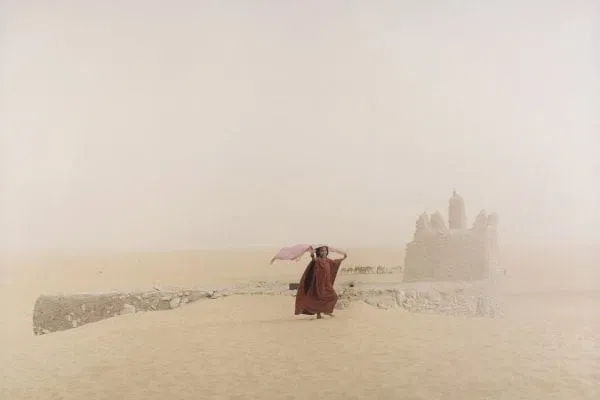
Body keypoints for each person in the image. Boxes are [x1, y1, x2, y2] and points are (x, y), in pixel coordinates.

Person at [294, 245, 347, 319]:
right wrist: (312, 255)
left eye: (325, 250)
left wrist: (343, 258)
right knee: (318, 298)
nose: (324, 252)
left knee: (333, 296)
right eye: (322, 251)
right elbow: (314, 260)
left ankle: (326, 311)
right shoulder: (318, 260)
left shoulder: (328, 260)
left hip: (327, 283)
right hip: (319, 283)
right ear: (319, 252)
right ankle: (319, 314)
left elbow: (335, 263)